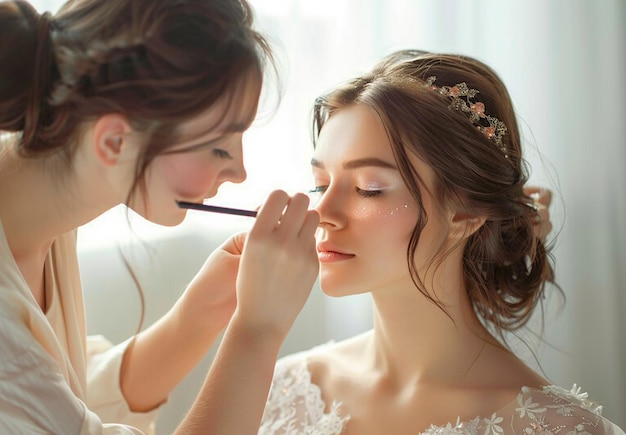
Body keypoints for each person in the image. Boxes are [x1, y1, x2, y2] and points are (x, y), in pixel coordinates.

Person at [259, 50, 625, 434]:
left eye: (369, 188)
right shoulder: (284, 390)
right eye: (320, 184)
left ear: (466, 213)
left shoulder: (563, 429)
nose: (321, 211)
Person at [0, 0, 320, 434]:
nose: (238, 171)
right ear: (114, 141)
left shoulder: (43, 208)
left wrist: (199, 314)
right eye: (218, 148)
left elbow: (54, 395)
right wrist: (258, 330)